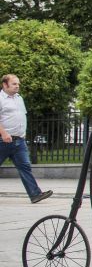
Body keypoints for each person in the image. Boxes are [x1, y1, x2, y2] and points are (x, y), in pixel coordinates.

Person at [0, 75, 53, 204]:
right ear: (4, 85)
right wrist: (3, 133)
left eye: (18, 84)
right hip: (3, 140)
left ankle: (35, 194)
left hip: (19, 141)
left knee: (25, 167)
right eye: (14, 84)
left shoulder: (19, 99)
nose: (17, 86)